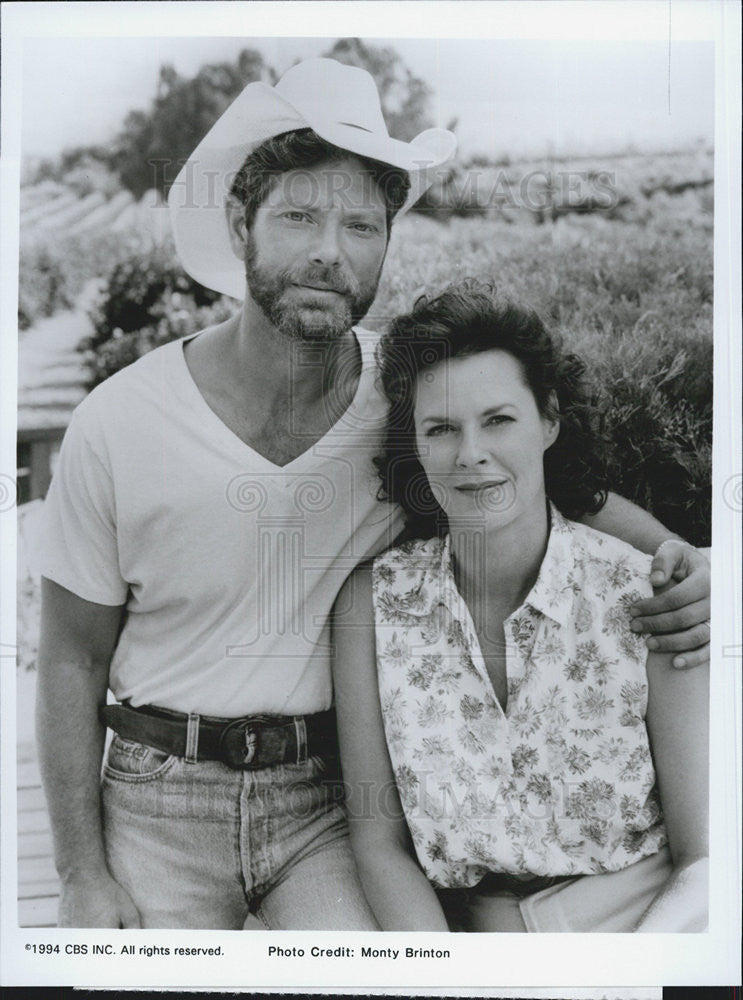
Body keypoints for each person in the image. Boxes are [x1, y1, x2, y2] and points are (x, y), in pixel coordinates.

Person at [36, 59, 711, 930]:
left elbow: (558, 493)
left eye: (361, 223)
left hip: (330, 794)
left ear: (386, 242)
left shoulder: (411, 397)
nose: (330, 248)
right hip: (159, 791)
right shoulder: (118, 422)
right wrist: (79, 872)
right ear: (242, 222)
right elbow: (70, 659)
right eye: (299, 216)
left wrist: (685, 567)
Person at [332, 283, 709, 932]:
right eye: (440, 428)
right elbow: (379, 846)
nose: (469, 453)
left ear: (549, 422)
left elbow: (707, 858)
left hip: (639, 927)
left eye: (498, 419)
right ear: (415, 447)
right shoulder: (371, 605)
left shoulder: (645, 598)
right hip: (467, 944)